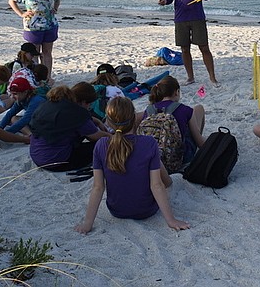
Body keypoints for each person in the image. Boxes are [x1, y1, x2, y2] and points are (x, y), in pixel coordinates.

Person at [75, 97, 189, 234]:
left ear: (109, 122)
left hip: (117, 210)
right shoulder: (149, 143)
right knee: (166, 176)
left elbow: (98, 188)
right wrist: (171, 220)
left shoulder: (101, 145)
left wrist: (87, 223)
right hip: (146, 210)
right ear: (134, 117)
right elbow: (156, 185)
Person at [158, 0, 219, 87]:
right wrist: (164, 1)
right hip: (180, 18)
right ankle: (190, 77)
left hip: (197, 17)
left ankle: (212, 78)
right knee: (185, 49)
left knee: (204, 47)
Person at [27, 83, 109, 170]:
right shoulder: (77, 113)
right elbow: (94, 136)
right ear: (84, 102)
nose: (89, 107)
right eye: (89, 104)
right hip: (56, 162)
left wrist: (97, 121)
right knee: (103, 145)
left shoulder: (52, 104)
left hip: (38, 156)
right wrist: (115, 137)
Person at [9, 0, 61, 77]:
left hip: (50, 24)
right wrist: (21, 14)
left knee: (47, 53)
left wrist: (55, 9)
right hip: (33, 26)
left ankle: (47, 76)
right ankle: (36, 76)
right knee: (34, 53)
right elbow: (12, 1)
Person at [140, 75, 206, 165]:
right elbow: (200, 143)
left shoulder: (149, 110)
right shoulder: (184, 109)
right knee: (199, 109)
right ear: (176, 92)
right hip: (180, 158)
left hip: (153, 159)